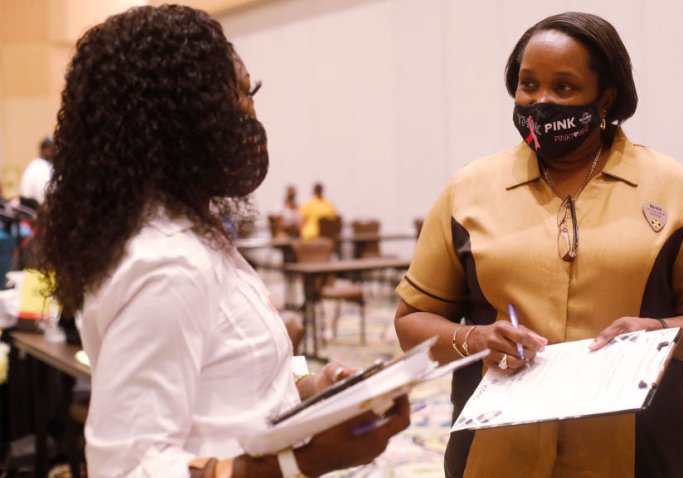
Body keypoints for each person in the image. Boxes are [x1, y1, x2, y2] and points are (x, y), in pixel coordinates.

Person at [37, 6, 409, 477]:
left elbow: (222, 392)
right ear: (179, 119)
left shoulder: (194, 234)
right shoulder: (168, 263)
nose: (251, 117)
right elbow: (128, 468)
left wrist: (312, 391)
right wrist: (302, 462)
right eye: (236, 98)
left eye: (250, 94)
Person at [394, 11, 683, 478]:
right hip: (494, 454)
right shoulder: (468, 190)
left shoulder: (672, 188)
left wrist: (656, 334)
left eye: (563, 88)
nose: (540, 101)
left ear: (606, 98)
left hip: (638, 454)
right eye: (528, 84)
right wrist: (475, 338)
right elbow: (411, 323)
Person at [19, 136, 54, 208]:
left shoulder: (34, 164)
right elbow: (44, 197)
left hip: (29, 210)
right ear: (46, 150)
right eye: (53, 149)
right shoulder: (43, 167)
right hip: (37, 211)